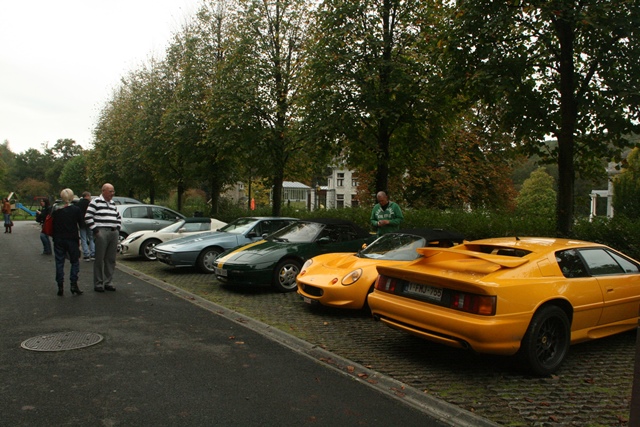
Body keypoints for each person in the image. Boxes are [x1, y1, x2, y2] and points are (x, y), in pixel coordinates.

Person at [84, 183, 121, 292]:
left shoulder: (113, 203)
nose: (112, 194)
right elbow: (88, 217)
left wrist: (117, 228)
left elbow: (118, 216)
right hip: (101, 231)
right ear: (103, 191)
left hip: (113, 232)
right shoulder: (95, 202)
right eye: (110, 191)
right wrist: (96, 231)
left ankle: (108, 282)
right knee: (99, 259)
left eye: (113, 191)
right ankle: (98, 283)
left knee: (110, 259)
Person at [51, 189, 84, 296]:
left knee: (59, 262)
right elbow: (81, 223)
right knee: (74, 261)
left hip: (58, 238)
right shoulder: (75, 209)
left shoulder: (56, 209)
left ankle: (60, 285)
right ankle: (73, 284)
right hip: (72, 238)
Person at [76, 191, 95, 261]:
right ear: (87, 196)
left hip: (82, 223)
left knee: (83, 239)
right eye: (89, 196)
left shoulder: (79, 204)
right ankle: (93, 253)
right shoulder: (90, 204)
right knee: (91, 238)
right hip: (90, 222)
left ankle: (86, 254)